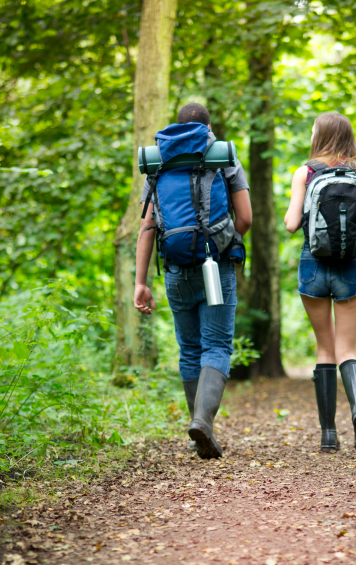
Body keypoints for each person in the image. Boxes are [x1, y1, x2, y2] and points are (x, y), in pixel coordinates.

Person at [133, 103, 252, 459]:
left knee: (189, 349)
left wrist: (141, 282)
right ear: (208, 127)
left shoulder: (158, 162)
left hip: (175, 268)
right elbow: (245, 218)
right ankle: (202, 420)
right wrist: (223, 236)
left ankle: (196, 430)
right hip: (216, 264)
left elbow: (147, 227)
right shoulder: (223, 155)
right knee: (216, 346)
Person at [283, 112, 356, 455]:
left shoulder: (305, 172)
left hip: (313, 265)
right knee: (349, 350)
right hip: (352, 267)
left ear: (319, 136)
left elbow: (289, 224)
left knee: (324, 348)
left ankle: (329, 435)